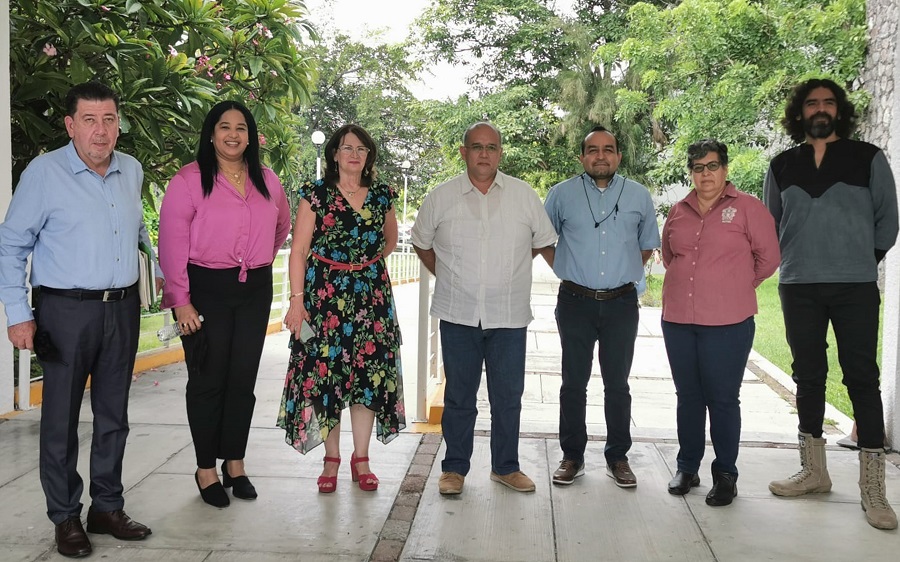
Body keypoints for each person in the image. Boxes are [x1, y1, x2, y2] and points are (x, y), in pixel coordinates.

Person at [0, 82, 159, 558]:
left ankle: (106, 507)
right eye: (89, 120)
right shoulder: (44, 173)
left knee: (114, 416)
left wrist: (159, 271)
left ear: (118, 124)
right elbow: (11, 246)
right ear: (71, 125)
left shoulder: (131, 169)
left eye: (109, 119)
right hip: (64, 311)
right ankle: (66, 516)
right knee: (61, 419)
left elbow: (138, 229)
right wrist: (18, 315)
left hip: (122, 309)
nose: (100, 130)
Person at [764, 78, 899, 530]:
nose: (819, 109)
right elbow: (771, 225)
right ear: (799, 112)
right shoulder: (782, 165)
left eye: (827, 102)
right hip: (798, 284)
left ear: (839, 110)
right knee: (808, 375)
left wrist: (859, 261)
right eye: (811, 103)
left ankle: (873, 488)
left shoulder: (868, 158)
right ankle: (814, 472)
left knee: (862, 377)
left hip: (854, 286)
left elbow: (888, 220)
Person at [411, 121, 557, 496]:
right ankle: (454, 469)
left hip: (508, 316)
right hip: (458, 314)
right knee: (459, 398)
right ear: (464, 152)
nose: (484, 154)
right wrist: (449, 275)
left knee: (507, 398)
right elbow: (422, 243)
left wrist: (508, 272)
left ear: (500, 153)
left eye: (491, 147)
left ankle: (506, 467)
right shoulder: (441, 197)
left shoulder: (524, 196)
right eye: (477, 147)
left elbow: (543, 242)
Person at [158, 101, 291, 508]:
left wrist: (254, 259)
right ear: (212, 134)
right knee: (207, 380)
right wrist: (181, 302)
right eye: (224, 127)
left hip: (254, 288)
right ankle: (205, 469)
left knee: (242, 381)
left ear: (250, 137)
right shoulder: (188, 180)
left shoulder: (268, 180)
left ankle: (235, 463)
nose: (233, 134)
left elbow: (281, 226)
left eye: (241, 128)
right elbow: (171, 244)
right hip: (205, 289)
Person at [277, 124, 405, 493]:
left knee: (368, 376)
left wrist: (360, 266)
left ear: (369, 156)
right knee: (326, 377)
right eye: (347, 148)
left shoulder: (382, 195)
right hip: (324, 299)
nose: (354, 154)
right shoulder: (316, 194)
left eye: (361, 149)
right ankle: (331, 458)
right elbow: (299, 251)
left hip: (371, 298)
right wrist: (297, 300)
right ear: (334, 154)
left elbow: (389, 242)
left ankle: (361, 458)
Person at [660, 139, 780, 506]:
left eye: (712, 166)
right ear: (691, 173)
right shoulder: (678, 211)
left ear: (725, 169)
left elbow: (769, 258)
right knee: (688, 397)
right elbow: (669, 256)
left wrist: (735, 285)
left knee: (723, 399)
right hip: (679, 320)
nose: (705, 174)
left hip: (728, 323)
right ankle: (687, 467)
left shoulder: (748, 208)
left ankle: (726, 474)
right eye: (698, 168)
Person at [543, 126, 660, 488]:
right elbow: (543, 240)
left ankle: (618, 457)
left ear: (618, 156)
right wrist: (566, 268)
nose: (600, 156)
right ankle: (572, 456)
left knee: (617, 385)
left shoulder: (639, 195)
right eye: (592, 150)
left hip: (621, 304)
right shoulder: (561, 195)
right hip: (575, 301)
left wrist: (623, 273)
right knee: (573, 383)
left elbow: (646, 245)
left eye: (608, 149)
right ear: (582, 157)